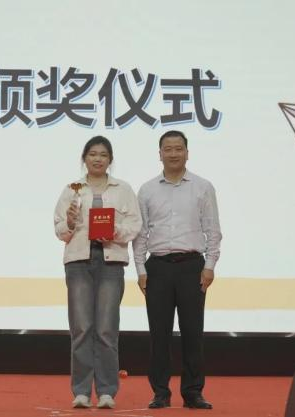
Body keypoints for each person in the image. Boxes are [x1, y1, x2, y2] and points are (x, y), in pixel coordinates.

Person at [133, 130, 222, 409]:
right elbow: (141, 234)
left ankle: (193, 392)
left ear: (187, 152)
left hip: (192, 267)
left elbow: (213, 230)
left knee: (193, 332)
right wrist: (141, 270)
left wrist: (209, 266)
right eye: (168, 149)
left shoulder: (203, 187)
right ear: (159, 154)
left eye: (178, 148)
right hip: (157, 267)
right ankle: (160, 392)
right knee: (158, 334)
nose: (173, 153)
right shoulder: (147, 190)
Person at [54, 136, 142, 409]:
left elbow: (135, 225)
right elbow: (59, 230)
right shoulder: (72, 190)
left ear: (110, 160)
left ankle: (106, 391)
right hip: (78, 262)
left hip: (111, 262)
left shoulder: (123, 189)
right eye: (92, 154)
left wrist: (113, 232)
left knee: (106, 329)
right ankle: (81, 391)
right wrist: (69, 223)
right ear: (84, 158)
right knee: (81, 328)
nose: (97, 159)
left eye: (103, 155)